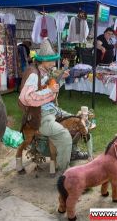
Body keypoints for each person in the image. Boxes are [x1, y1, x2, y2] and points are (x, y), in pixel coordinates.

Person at [18, 38, 72, 175]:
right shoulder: (33, 74)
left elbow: (50, 87)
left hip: (52, 110)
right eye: (52, 61)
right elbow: (26, 98)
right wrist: (50, 91)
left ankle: (71, 153)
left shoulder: (44, 71)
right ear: (43, 61)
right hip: (40, 116)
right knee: (65, 135)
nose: (54, 63)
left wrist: (60, 80)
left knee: (77, 120)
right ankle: (64, 173)